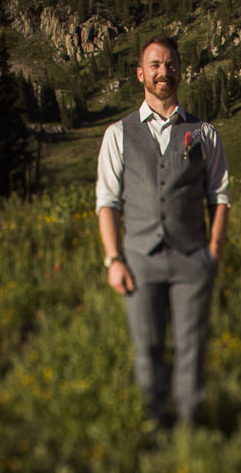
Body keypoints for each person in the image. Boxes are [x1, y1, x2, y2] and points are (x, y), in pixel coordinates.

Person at [96, 36, 230, 427]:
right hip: (139, 259)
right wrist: (113, 258)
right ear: (141, 74)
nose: (163, 72)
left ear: (180, 71)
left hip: (191, 258)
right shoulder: (118, 134)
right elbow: (108, 201)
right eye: (155, 65)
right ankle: (153, 428)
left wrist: (213, 253)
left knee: (192, 349)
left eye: (170, 64)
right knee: (148, 348)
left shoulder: (203, 133)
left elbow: (218, 197)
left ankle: (190, 430)